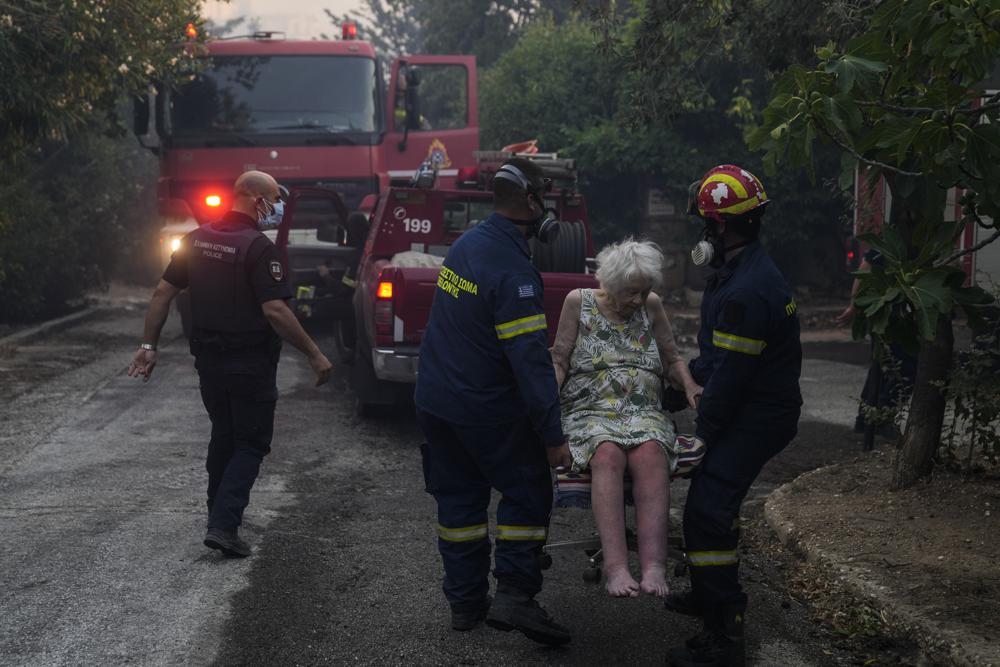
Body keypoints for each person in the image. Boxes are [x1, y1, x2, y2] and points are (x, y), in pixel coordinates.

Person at [127, 170, 333, 558]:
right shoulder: (258, 249)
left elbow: (161, 293)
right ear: (258, 201)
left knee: (224, 434)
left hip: (209, 364)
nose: (279, 207)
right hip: (250, 364)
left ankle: (217, 518)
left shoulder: (195, 240)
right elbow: (275, 310)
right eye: (275, 198)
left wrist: (148, 346)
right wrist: (314, 353)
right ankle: (224, 525)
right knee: (251, 442)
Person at [414, 157, 573, 645]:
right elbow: (529, 362)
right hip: (485, 408)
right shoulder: (514, 272)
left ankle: (465, 604)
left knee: (459, 501)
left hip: (437, 403)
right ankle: (516, 597)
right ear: (532, 201)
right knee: (527, 492)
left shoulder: (467, 246)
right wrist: (552, 436)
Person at [664, 165, 802, 667]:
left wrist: (701, 435)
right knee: (710, 505)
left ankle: (725, 632)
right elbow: (717, 359)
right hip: (748, 403)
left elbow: (731, 380)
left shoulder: (747, 290)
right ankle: (707, 593)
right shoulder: (739, 274)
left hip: (757, 414)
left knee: (706, 510)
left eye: (705, 224)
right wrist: (676, 386)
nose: (702, 234)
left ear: (720, 227)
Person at [550, 239, 701, 599]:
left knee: (651, 453)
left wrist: (691, 386)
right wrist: (543, 404)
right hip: (590, 410)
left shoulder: (651, 305)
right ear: (611, 284)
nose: (638, 299)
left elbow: (671, 359)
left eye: (644, 291)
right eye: (632, 292)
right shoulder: (578, 302)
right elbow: (559, 359)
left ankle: (654, 566)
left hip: (643, 410)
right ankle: (615, 568)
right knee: (607, 453)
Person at [835, 249, 916, 437]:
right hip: (888, 317)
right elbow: (866, 267)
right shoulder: (894, 242)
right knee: (904, 367)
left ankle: (866, 418)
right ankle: (881, 417)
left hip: (894, 316)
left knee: (882, 365)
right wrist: (854, 305)